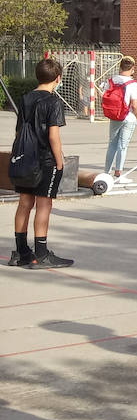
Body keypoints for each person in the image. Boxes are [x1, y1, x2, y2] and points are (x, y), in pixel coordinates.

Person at [9, 58, 74, 269]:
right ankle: (42, 252)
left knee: (24, 202)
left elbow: (19, 131)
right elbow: (53, 135)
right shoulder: (53, 101)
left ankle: (20, 252)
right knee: (44, 204)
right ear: (58, 78)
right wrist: (59, 161)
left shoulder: (26, 98)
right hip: (45, 159)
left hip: (25, 157)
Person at [104, 57, 137, 184]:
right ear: (132, 69)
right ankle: (118, 173)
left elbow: (104, 95)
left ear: (120, 67)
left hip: (115, 116)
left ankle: (106, 172)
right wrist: (136, 117)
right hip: (128, 116)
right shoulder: (133, 84)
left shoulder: (111, 81)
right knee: (123, 145)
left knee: (112, 144)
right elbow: (135, 104)